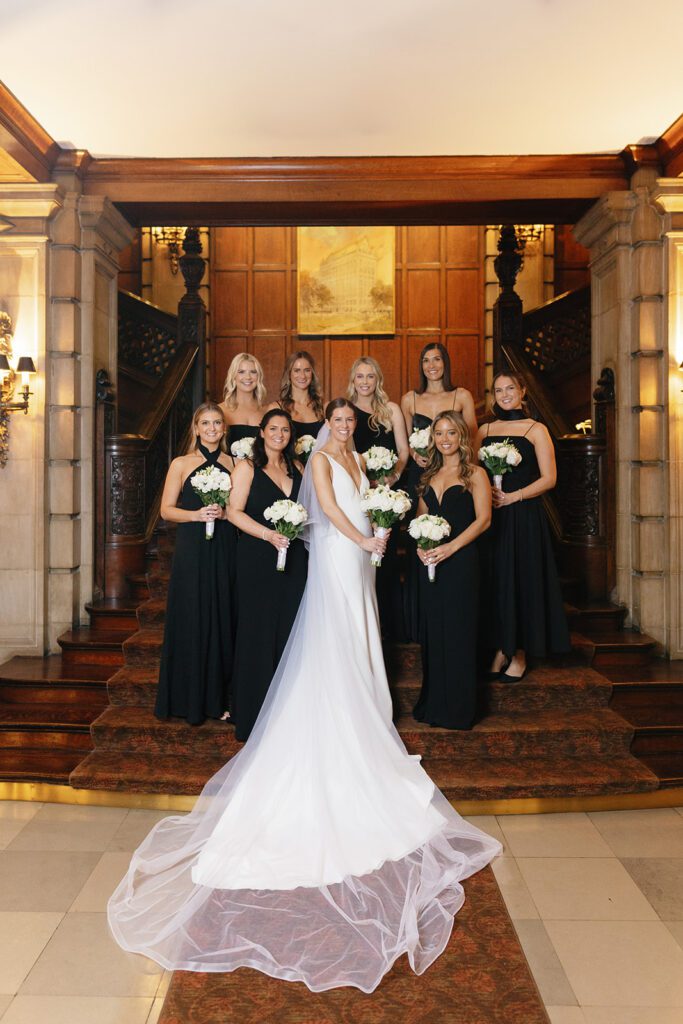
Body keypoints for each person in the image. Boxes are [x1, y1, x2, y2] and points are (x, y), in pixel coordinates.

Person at [108, 397, 501, 995]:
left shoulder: (360, 458)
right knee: (338, 635)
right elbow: (332, 517)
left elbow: (368, 503)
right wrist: (364, 542)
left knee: (363, 631)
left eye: (348, 423)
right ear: (324, 429)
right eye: (336, 423)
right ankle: (345, 721)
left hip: (364, 555)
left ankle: (368, 714)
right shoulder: (321, 460)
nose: (342, 428)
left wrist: (382, 529)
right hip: (343, 556)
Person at [476, 371, 571, 682]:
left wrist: (513, 496)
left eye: (510, 388)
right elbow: (474, 470)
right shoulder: (485, 428)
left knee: (520, 579)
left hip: (523, 515)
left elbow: (550, 478)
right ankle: (500, 648)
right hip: (491, 516)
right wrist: (485, 493)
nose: (504, 395)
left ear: (522, 391)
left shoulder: (536, 429)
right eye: (498, 390)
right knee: (495, 580)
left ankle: (519, 652)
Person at [228, 409, 307, 741]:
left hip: (295, 561)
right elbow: (233, 511)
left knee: (290, 633)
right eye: (273, 428)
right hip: (257, 558)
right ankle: (253, 712)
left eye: (285, 429)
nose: (279, 434)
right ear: (261, 432)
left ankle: (287, 714)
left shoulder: (298, 468)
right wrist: (267, 535)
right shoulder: (247, 467)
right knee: (257, 632)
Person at [154, 403, 236, 726]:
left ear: (224, 428)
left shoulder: (236, 463)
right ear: (196, 427)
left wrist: (224, 513)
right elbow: (165, 510)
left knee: (222, 615)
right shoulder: (181, 463)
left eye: (217, 422)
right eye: (206, 423)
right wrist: (196, 515)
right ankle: (187, 699)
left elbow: (240, 507)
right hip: (192, 549)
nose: (212, 428)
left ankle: (220, 698)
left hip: (225, 547)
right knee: (192, 616)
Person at [412, 412, 491, 729]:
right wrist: (421, 546)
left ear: (461, 437)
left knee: (459, 630)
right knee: (434, 631)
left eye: (451, 433)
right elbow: (420, 519)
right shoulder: (428, 476)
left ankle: (458, 708)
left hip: (460, 562)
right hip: (431, 564)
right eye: (439, 434)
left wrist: (451, 548)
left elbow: (483, 520)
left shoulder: (476, 474)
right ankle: (434, 703)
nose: (445, 439)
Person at [401, 342, 477, 641]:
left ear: (446, 363)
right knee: (420, 537)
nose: (431, 365)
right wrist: (414, 453)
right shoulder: (410, 399)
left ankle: (454, 608)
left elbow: (471, 438)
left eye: (437, 359)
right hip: (421, 474)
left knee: (453, 533)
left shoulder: (462, 396)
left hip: (455, 471)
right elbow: (405, 441)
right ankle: (421, 620)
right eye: (425, 360)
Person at [347, 355, 410, 640]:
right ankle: (364, 625)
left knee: (386, 557)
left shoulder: (392, 410)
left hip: (387, 496)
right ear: (353, 381)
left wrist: (391, 478)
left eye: (370, 376)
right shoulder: (346, 412)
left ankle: (391, 626)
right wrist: (364, 482)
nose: (365, 382)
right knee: (361, 556)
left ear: (378, 380)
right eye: (359, 376)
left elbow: (403, 452)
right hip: (358, 494)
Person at [219, 351, 275, 448]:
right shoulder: (220, 410)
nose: (248, 377)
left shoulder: (267, 411)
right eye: (241, 372)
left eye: (253, 372)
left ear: (259, 377)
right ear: (233, 377)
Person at [278, 350, 325, 440]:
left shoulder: (324, 407)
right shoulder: (276, 407)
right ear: (289, 374)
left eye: (307, 370)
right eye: (297, 370)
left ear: (312, 374)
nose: (302, 376)